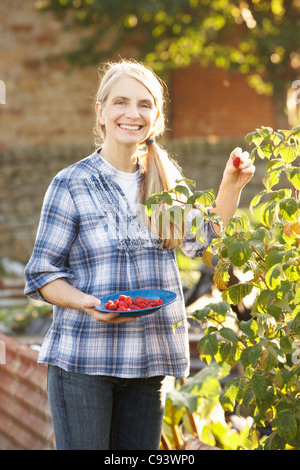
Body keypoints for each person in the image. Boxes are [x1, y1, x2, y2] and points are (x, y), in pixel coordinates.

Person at [24, 59, 255, 450]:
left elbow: (205, 241)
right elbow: (42, 274)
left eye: (144, 104)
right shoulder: (71, 184)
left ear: (157, 116)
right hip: (84, 360)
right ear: (101, 112)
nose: (133, 113)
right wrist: (87, 302)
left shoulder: (166, 183)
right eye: (120, 102)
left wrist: (231, 186)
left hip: (148, 362)